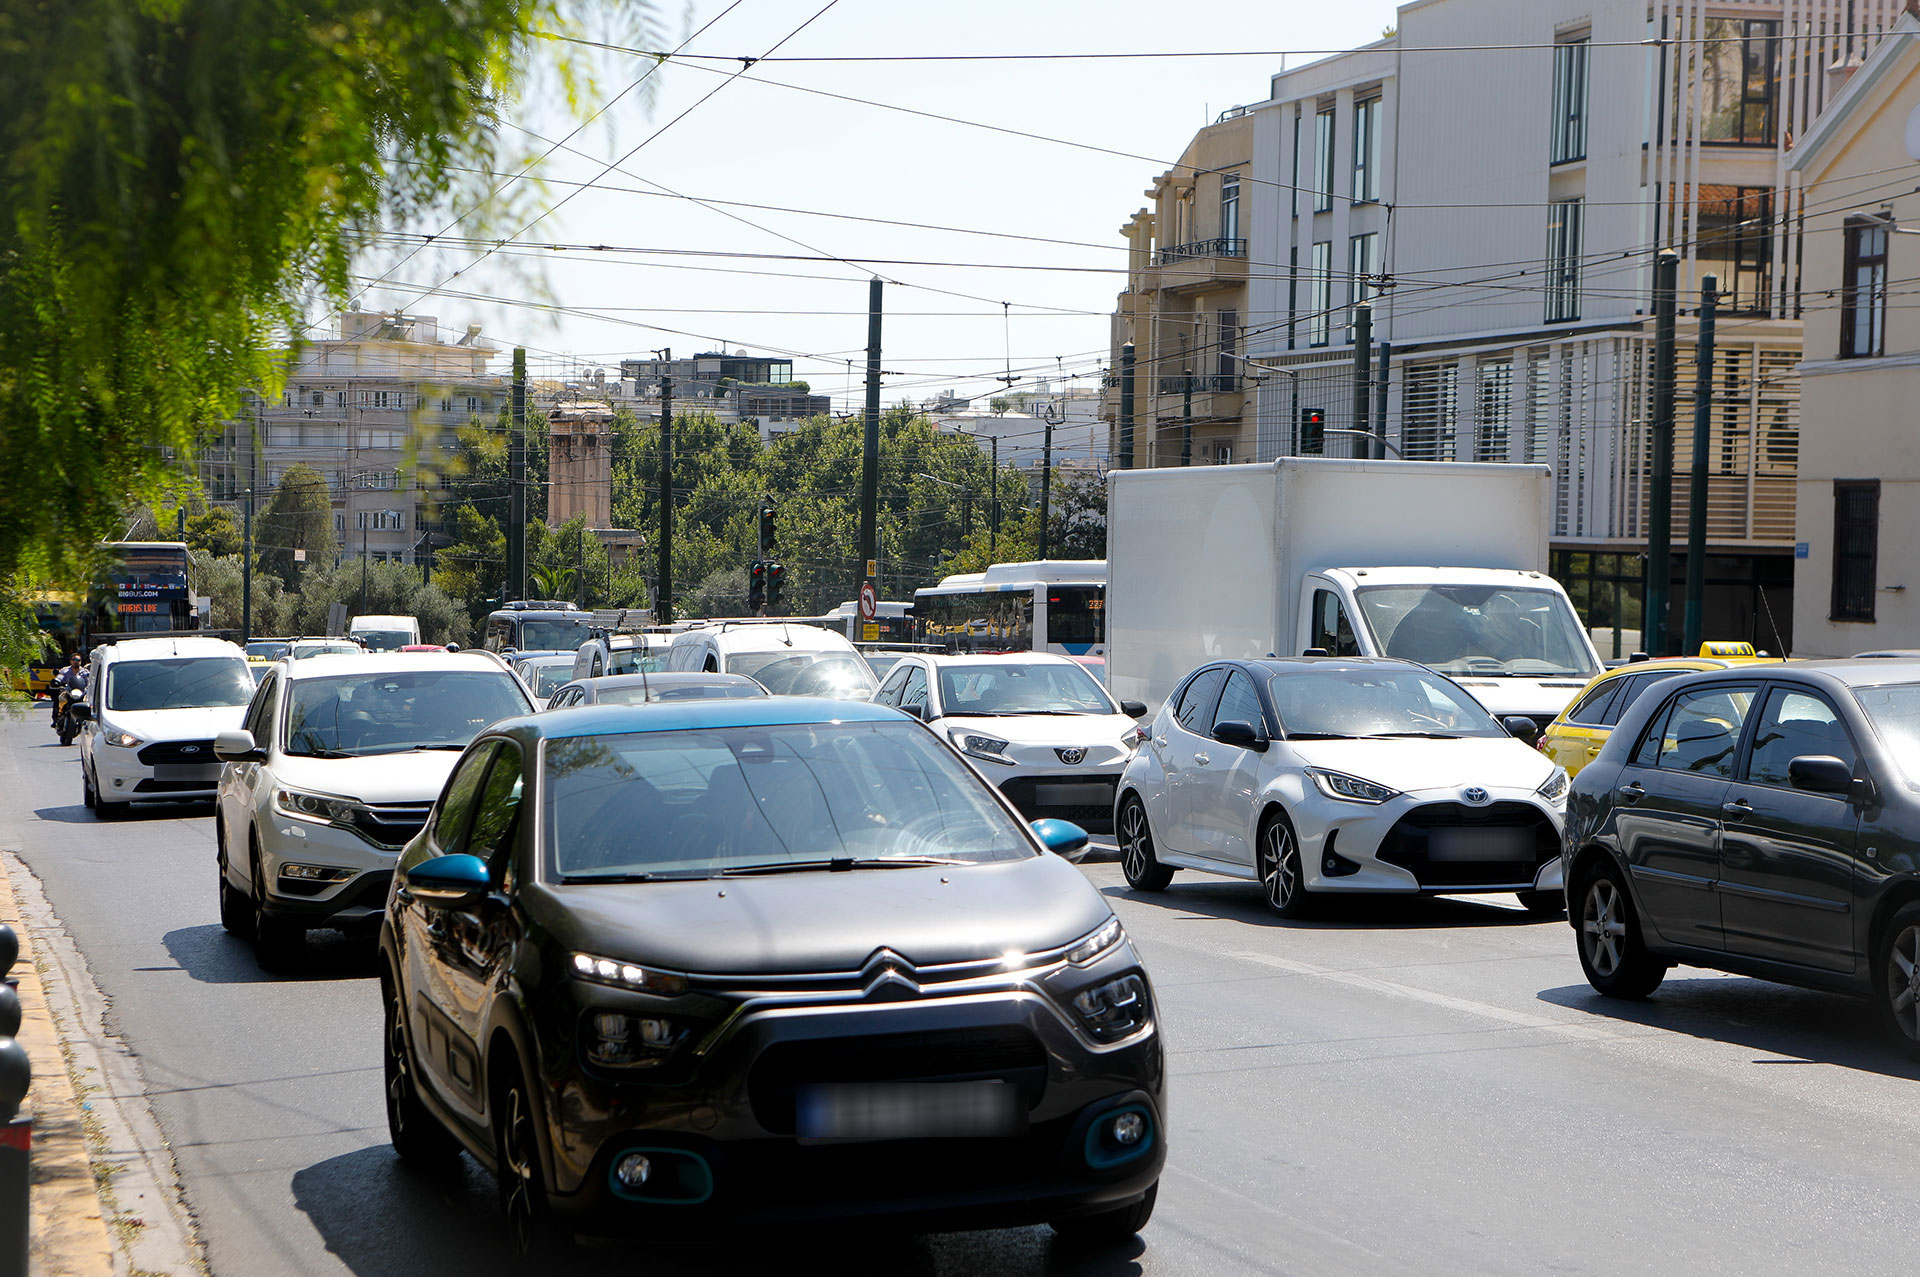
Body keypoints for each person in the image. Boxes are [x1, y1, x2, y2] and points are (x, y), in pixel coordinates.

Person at [51, 654, 88, 725]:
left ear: (81, 661)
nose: (76, 662)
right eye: (74, 660)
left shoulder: (85, 672)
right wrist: (56, 681)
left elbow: (90, 681)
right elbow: (60, 677)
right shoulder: (65, 670)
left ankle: (85, 720)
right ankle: (56, 719)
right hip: (68, 691)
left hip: (81, 692)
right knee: (58, 699)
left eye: (78, 660)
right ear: (70, 661)